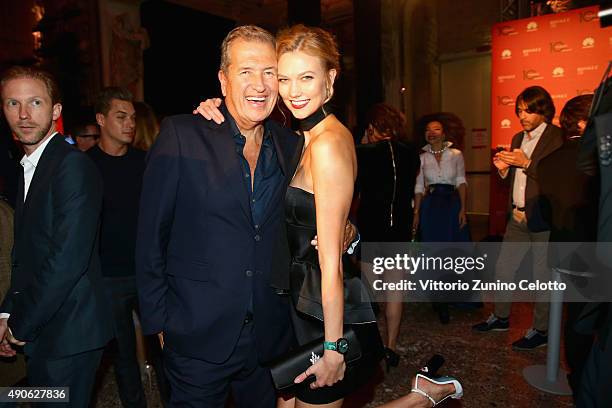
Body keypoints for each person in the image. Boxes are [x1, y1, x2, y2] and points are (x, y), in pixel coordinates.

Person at [196, 24, 462, 408]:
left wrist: (334, 349)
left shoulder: (329, 145)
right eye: (283, 78)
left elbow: (332, 264)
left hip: (324, 311)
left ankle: (423, 398)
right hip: (300, 302)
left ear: (330, 79)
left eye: (306, 77)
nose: (293, 91)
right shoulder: (304, 136)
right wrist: (217, 104)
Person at [136, 26, 301, 408]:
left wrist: (347, 230)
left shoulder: (293, 146)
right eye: (245, 71)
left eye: (269, 72)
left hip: (269, 337)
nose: (259, 84)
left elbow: (308, 218)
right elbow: (149, 238)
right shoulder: (182, 134)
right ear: (223, 80)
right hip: (195, 334)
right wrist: (159, 322)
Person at [0, 66, 112, 406]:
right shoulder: (28, 166)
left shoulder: (71, 166)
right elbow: (27, 254)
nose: (23, 114)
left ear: (56, 111)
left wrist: (19, 324)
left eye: (35, 102)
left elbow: (67, 259)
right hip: (48, 329)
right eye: (12, 104)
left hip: (70, 334)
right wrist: (7, 315)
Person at [89, 86, 169, 408]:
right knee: (123, 357)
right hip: (108, 278)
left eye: (133, 118)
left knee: (165, 349)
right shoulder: (84, 166)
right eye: (121, 116)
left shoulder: (145, 162)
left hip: (148, 273)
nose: (130, 124)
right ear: (101, 120)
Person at [473, 85, 563, 350]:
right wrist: (503, 171)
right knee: (504, 268)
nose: (522, 116)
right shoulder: (516, 138)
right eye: (519, 110)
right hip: (517, 217)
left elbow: (556, 180)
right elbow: (515, 179)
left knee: (542, 276)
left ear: (543, 110)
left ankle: (542, 331)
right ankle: (500, 317)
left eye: (528, 110)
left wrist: (526, 163)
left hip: (543, 218)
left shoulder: (557, 137)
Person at [537, 94, 597, 397]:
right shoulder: (601, 161)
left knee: (577, 320)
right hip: (599, 253)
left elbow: (541, 217)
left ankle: (579, 378)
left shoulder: (547, 163)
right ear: (587, 122)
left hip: (564, 253)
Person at [355, 103, 420, 371]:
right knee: (395, 293)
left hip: (372, 229)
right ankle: (391, 347)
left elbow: (354, 190)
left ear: (372, 128)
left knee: (371, 291)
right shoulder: (411, 155)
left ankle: (371, 345)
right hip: (400, 230)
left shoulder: (364, 153)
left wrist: (361, 143)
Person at [412, 113, 469, 324]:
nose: (431, 132)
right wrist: (416, 214)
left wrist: (463, 209)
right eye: (428, 130)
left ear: (443, 133)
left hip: (450, 205)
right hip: (430, 206)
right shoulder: (421, 158)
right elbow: (419, 187)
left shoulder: (456, 154)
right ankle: (439, 299)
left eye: (436, 129)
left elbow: (462, 181)